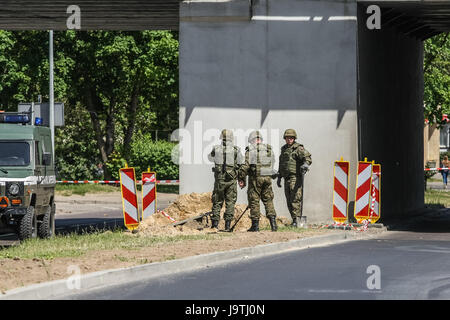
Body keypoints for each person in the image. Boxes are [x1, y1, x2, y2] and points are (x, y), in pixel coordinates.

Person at [238, 130, 278, 232]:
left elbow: (245, 166)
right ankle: (273, 224)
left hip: (256, 179)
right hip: (267, 178)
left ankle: (255, 226)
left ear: (252, 140)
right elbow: (272, 162)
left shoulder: (251, 150)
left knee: (254, 200)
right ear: (260, 139)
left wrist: (241, 178)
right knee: (268, 200)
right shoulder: (269, 149)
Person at [208, 129, 243, 231]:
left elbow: (210, 157)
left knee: (217, 201)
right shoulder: (236, 150)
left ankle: (214, 225)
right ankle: (227, 226)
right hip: (231, 180)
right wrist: (241, 178)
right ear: (231, 138)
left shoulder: (216, 149)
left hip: (219, 180)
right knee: (230, 202)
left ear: (221, 137)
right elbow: (241, 163)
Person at [277, 129, 312, 227]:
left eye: (291, 138)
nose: (289, 139)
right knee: (288, 200)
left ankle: (297, 220)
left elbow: (308, 158)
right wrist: (279, 177)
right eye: (288, 138)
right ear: (285, 138)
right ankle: (294, 220)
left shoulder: (298, 148)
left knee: (295, 199)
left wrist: (305, 164)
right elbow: (282, 164)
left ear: (294, 138)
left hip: (295, 178)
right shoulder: (284, 149)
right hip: (286, 178)